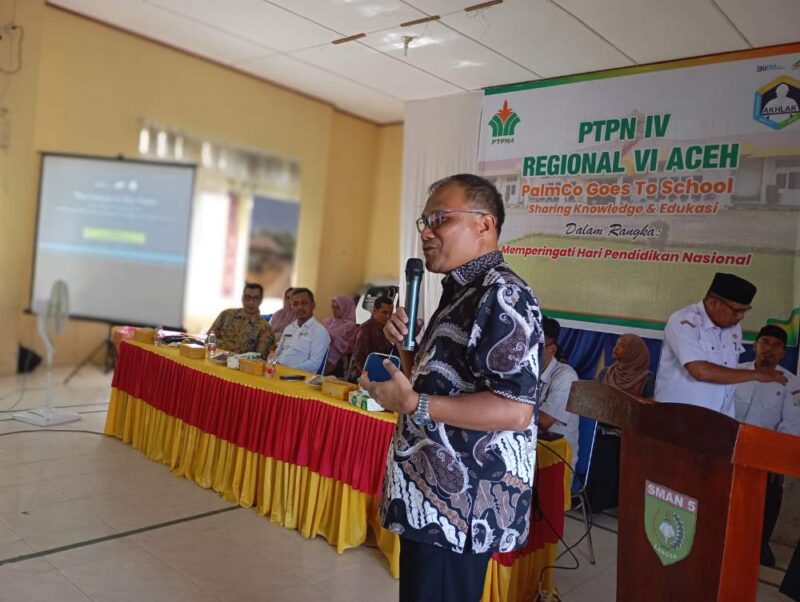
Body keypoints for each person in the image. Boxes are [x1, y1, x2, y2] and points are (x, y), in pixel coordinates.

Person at [360, 174, 542, 602]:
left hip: (460, 509)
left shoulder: (503, 295)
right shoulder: (461, 291)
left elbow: (515, 409)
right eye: (424, 222)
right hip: (431, 499)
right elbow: (435, 385)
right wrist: (405, 350)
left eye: (440, 219)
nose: (426, 232)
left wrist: (415, 402)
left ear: (484, 224)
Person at [654, 272, 786, 416]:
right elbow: (700, 371)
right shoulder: (684, 321)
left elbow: (727, 372)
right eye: (737, 311)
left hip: (719, 418)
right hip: (678, 416)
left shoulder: (734, 328)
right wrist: (756, 374)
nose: (740, 317)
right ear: (713, 302)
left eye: (745, 311)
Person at [733, 324, 800, 567]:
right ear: (755, 345)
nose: (769, 349)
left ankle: (760, 544)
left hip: (766, 455)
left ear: (783, 353)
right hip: (731, 448)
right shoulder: (735, 373)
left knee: (768, 500)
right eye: (765, 342)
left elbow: (791, 425)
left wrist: (771, 456)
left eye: (776, 345)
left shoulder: (792, 385)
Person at [586, 333, 655, 513]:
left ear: (634, 352)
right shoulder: (606, 372)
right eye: (616, 344)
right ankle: (596, 503)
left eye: (622, 346)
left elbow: (648, 410)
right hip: (602, 431)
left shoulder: (647, 379)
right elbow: (595, 399)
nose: (616, 348)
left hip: (630, 437)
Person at [537, 317, 580, 470]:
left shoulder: (566, 376)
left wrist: (510, 408)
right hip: (529, 452)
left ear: (551, 350)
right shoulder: (527, 372)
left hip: (555, 462)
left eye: (535, 346)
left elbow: (544, 422)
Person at [208, 282, 274, 359]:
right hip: (214, 360)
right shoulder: (227, 315)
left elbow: (259, 358)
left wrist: (221, 344)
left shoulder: (264, 328)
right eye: (247, 297)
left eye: (255, 298)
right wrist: (239, 349)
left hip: (241, 365)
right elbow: (209, 339)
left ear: (261, 300)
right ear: (242, 298)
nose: (251, 302)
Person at [274, 288, 330, 372]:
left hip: (297, 376)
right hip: (276, 371)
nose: (299, 307)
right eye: (295, 304)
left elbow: (314, 364)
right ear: (292, 307)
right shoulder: (289, 328)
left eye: (304, 303)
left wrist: (288, 370)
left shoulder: (319, 332)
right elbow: (277, 352)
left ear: (313, 305)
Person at [347, 295, 395, 382]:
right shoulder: (365, 330)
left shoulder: (389, 330)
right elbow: (359, 360)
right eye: (384, 313)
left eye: (390, 313)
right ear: (374, 311)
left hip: (382, 375)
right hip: (362, 377)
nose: (388, 316)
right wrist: (369, 380)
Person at [322, 295, 358, 376]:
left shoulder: (349, 325)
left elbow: (349, 348)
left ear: (346, 308)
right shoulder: (327, 321)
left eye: (338, 308)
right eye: (333, 307)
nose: (334, 310)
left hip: (334, 359)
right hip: (319, 353)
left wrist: (334, 340)